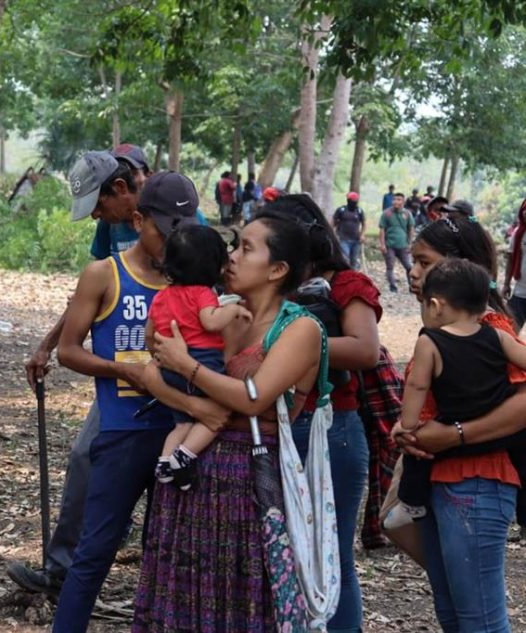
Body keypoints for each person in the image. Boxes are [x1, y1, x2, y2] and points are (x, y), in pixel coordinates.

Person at [133, 210, 325, 631]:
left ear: (277, 270)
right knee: (187, 594)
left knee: (238, 599)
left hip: (247, 483)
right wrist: (196, 401)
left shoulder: (300, 329)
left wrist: (187, 368)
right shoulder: (216, 313)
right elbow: (151, 371)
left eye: (246, 249)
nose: (232, 257)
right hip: (192, 472)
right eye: (234, 246)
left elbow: (253, 400)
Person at [51, 171, 200, 633]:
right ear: (138, 221)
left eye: (184, 231)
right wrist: (125, 371)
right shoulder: (105, 274)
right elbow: (69, 350)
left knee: (168, 556)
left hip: (181, 435)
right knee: (95, 552)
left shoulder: (195, 280)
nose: (173, 244)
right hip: (123, 430)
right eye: (164, 232)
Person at [8, 151, 145, 598]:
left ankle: (162, 582)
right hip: (119, 371)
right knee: (88, 456)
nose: (97, 218)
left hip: (172, 371)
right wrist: (48, 344)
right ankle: (62, 569)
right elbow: (85, 296)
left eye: (100, 206)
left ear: (121, 189)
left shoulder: (172, 212)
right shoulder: (111, 227)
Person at [391, 212, 526, 631]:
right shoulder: (443, 331)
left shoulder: (491, 329)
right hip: (442, 478)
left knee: (479, 620)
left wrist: (452, 435)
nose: (413, 273)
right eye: (413, 261)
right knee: (455, 613)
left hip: (476, 480)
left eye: (425, 263)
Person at [272, 194, 380, 633]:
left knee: (332, 553)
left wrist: (284, 350)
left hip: (332, 429)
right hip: (274, 427)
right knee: (284, 550)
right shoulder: (271, 285)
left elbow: (364, 349)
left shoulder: (348, 284)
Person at [386, 258, 526, 531]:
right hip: (496, 434)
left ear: (435, 306)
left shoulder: (429, 341)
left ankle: (410, 502)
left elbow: (417, 386)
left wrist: (409, 425)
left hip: (454, 430)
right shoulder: (497, 335)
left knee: (420, 455)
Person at [147, 225, 251, 490]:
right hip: (202, 360)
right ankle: (184, 458)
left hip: (167, 367)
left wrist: (158, 357)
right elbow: (211, 321)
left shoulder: (161, 296)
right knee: (212, 418)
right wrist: (234, 309)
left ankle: (164, 462)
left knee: (181, 423)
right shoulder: (203, 294)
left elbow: (150, 333)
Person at [379, 192, 414, 292]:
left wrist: (410, 243)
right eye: (394, 199)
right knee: (390, 266)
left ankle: (412, 286)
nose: (395, 201)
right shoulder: (386, 213)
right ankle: (393, 286)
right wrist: (382, 245)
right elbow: (382, 229)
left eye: (398, 199)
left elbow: (411, 228)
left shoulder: (407, 214)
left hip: (403, 245)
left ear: (403, 201)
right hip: (389, 245)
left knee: (409, 266)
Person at [503, 198, 526, 330]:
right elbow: (510, 259)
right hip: (520, 292)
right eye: (524, 210)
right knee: (510, 330)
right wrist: (506, 284)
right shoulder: (518, 233)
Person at [332, 191, 366, 270]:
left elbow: (364, 223)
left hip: (356, 240)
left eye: (354, 200)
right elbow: (333, 222)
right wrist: (332, 233)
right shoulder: (341, 210)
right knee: (345, 258)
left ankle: (353, 276)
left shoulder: (359, 211)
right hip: (344, 239)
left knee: (354, 260)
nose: (353, 202)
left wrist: (362, 234)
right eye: (351, 200)